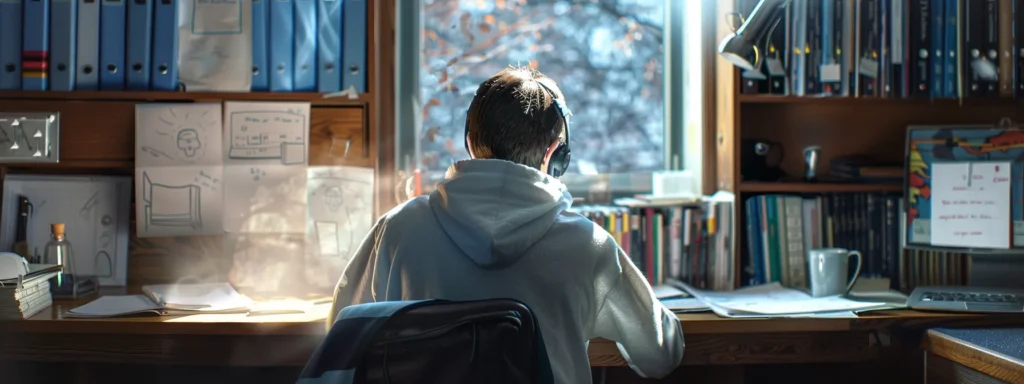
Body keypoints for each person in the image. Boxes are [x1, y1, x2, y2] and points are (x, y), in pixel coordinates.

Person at [328, 66, 684, 383]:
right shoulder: (587, 244)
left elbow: (340, 336)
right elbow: (660, 355)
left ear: (469, 141)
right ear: (555, 155)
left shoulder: (397, 230)